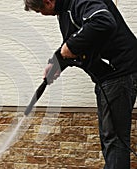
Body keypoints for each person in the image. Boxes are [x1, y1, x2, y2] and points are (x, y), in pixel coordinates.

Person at [24, 0, 137, 168]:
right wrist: (56, 64)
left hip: (119, 74)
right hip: (108, 78)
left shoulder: (78, 1)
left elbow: (103, 20)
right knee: (110, 137)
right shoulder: (65, 11)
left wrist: (71, 46)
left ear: (48, 2)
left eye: (40, 10)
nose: (42, 14)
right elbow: (74, 43)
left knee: (114, 139)